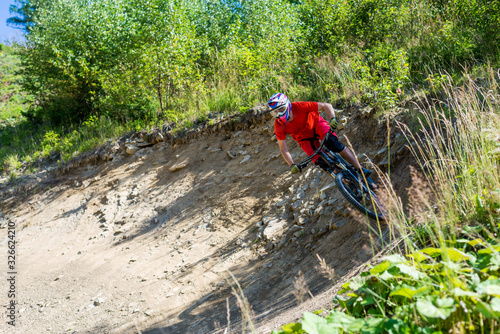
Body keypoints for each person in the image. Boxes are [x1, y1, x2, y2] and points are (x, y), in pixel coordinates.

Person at [268, 92, 372, 176]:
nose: (278, 114)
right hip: (304, 139)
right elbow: (283, 149)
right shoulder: (279, 125)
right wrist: (291, 164)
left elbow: (326, 106)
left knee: (333, 143)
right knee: (321, 162)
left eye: (280, 109)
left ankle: (359, 168)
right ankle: (348, 183)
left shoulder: (299, 106)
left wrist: (332, 118)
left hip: (316, 125)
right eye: (275, 112)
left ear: (286, 105)